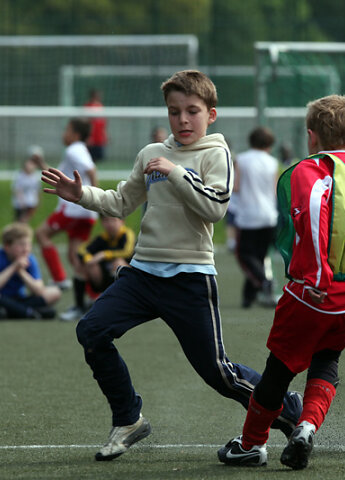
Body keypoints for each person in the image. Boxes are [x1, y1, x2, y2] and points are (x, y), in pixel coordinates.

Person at [41, 70, 302, 461]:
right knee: (91, 330)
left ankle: (286, 407)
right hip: (143, 273)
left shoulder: (216, 153)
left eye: (192, 111)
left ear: (211, 114)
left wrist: (176, 172)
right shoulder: (150, 153)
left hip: (190, 278)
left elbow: (215, 207)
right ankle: (129, 418)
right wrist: (82, 194)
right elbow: (120, 203)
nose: (182, 119)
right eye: (174, 111)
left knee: (218, 373)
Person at [218, 94, 345, 469]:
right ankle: (307, 426)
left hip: (317, 292)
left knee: (278, 370)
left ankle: (251, 444)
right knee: (327, 358)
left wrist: (315, 277)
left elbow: (313, 211)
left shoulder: (313, 169)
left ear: (311, 135)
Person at [36, 117, 98, 290]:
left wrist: (96, 198)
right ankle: (92, 294)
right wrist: (41, 163)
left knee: (41, 234)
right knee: (75, 255)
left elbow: (91, 170)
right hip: (85, 211)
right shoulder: (80, 149)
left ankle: (59, 278)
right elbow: (61, 178)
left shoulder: (73, 149)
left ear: (76, 134)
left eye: (67, 130)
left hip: (73, 208)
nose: (64, 134)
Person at [234, 126, 279, 308]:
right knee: (259, 257)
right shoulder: (273, 162)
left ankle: (264, 281)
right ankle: (248, 297)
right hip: (269, 216)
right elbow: (275, 189)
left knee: (244, 255)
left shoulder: (241, 159)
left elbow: (236, 186)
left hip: (248, 216)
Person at [60, 215, 136, 322]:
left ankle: (119, 306)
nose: (110, 224)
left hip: (129, 285)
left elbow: (127, 252)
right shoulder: (102, 238)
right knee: (82, 265)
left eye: (113, 220)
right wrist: (88, 259)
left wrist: (104, 254)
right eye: (106, 220)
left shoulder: (128, 235)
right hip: (103, 281)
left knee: (118, 264)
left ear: (122, 221)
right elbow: (82, 250)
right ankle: (79, 307)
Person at [0, 223, 61, 319]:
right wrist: (14, 267)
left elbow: (39, 291)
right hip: (2, 298)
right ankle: (30, 313)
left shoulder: (30, 260)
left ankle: (13, 312)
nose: (26, 249)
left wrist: (21, 271)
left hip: (19, 299)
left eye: (28, 244)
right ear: (7, 247)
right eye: (21, 244)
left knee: (54, 292)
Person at [12, 145, 47, 223]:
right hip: (21, 203)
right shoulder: (20, 176)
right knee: (19, 220)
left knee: (26, 220)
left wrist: (39, 200)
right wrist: (21, 201)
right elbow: (17, 189)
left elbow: (37, 190)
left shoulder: (35, 176)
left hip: (31, 202)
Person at [84, 88, 107, 162]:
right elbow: (87, 123)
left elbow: (103, 124)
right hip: (92, 138)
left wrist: (105, 135)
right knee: (90, 158)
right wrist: (88, 136)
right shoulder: (88, 106)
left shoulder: (100, 106)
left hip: (99, 138)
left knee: (98, 158)